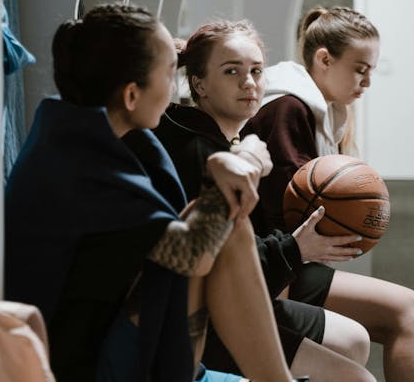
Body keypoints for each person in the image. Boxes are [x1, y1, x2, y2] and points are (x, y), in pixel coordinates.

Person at [4, 3, 295, 382]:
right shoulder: (83, 161)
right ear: (130, 95)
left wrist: (222, 166)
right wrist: (245, 160)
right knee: (229, 225)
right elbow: (191, 255)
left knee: (221, 219)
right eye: (169, 74)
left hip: (107, 336)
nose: (176, 90)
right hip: (82, 369)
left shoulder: (77, 126)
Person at [245, 6, 414, 382]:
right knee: (405, 308)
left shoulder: (317, 109)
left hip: (285, 260)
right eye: (361, 70)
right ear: (324, 59)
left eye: (371, 71)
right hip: (272, 268)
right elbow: (292, 215)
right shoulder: (287, 108)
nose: (368, 82)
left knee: (408, 312)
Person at [154, 21, 375, 381]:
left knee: (353, 340)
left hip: (231, 297)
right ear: (199, 84)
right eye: (232, 72)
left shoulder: (229, 143)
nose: (249, 82)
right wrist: (295, 249)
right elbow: (227, 267)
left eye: (256, 70)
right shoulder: (203, 154)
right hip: (204, 319)